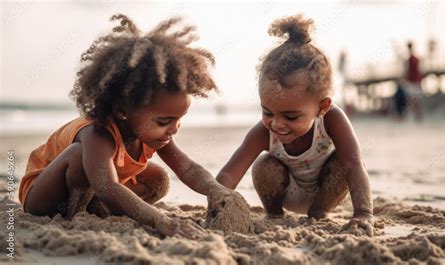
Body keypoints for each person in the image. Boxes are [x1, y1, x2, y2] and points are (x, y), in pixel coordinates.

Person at [19, 14, 234, 239]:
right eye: (164, 121)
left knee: (158, 178)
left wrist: (216, 190)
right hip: (44, 197)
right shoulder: (96, 134)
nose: (173, 129)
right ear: (122, 111)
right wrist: (159, 219)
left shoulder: (153, 134)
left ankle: (98, 210)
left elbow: (187, 168)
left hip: (97, 188)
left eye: (178, 119)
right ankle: (76, 213)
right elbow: (108, 186)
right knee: (78, 154)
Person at [216, 15, 374, 236]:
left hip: (325, 193)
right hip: (284, 191)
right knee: (264, 165)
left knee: (342, 162)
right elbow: (228, 175)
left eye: (290, 116)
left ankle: (318, 213)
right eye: (267, 112)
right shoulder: (263, 132)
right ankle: (273, 213)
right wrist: (216, 206)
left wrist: (364, 213)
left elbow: (355, 165)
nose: (277, 124)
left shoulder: (332, 120)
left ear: (322, 107)